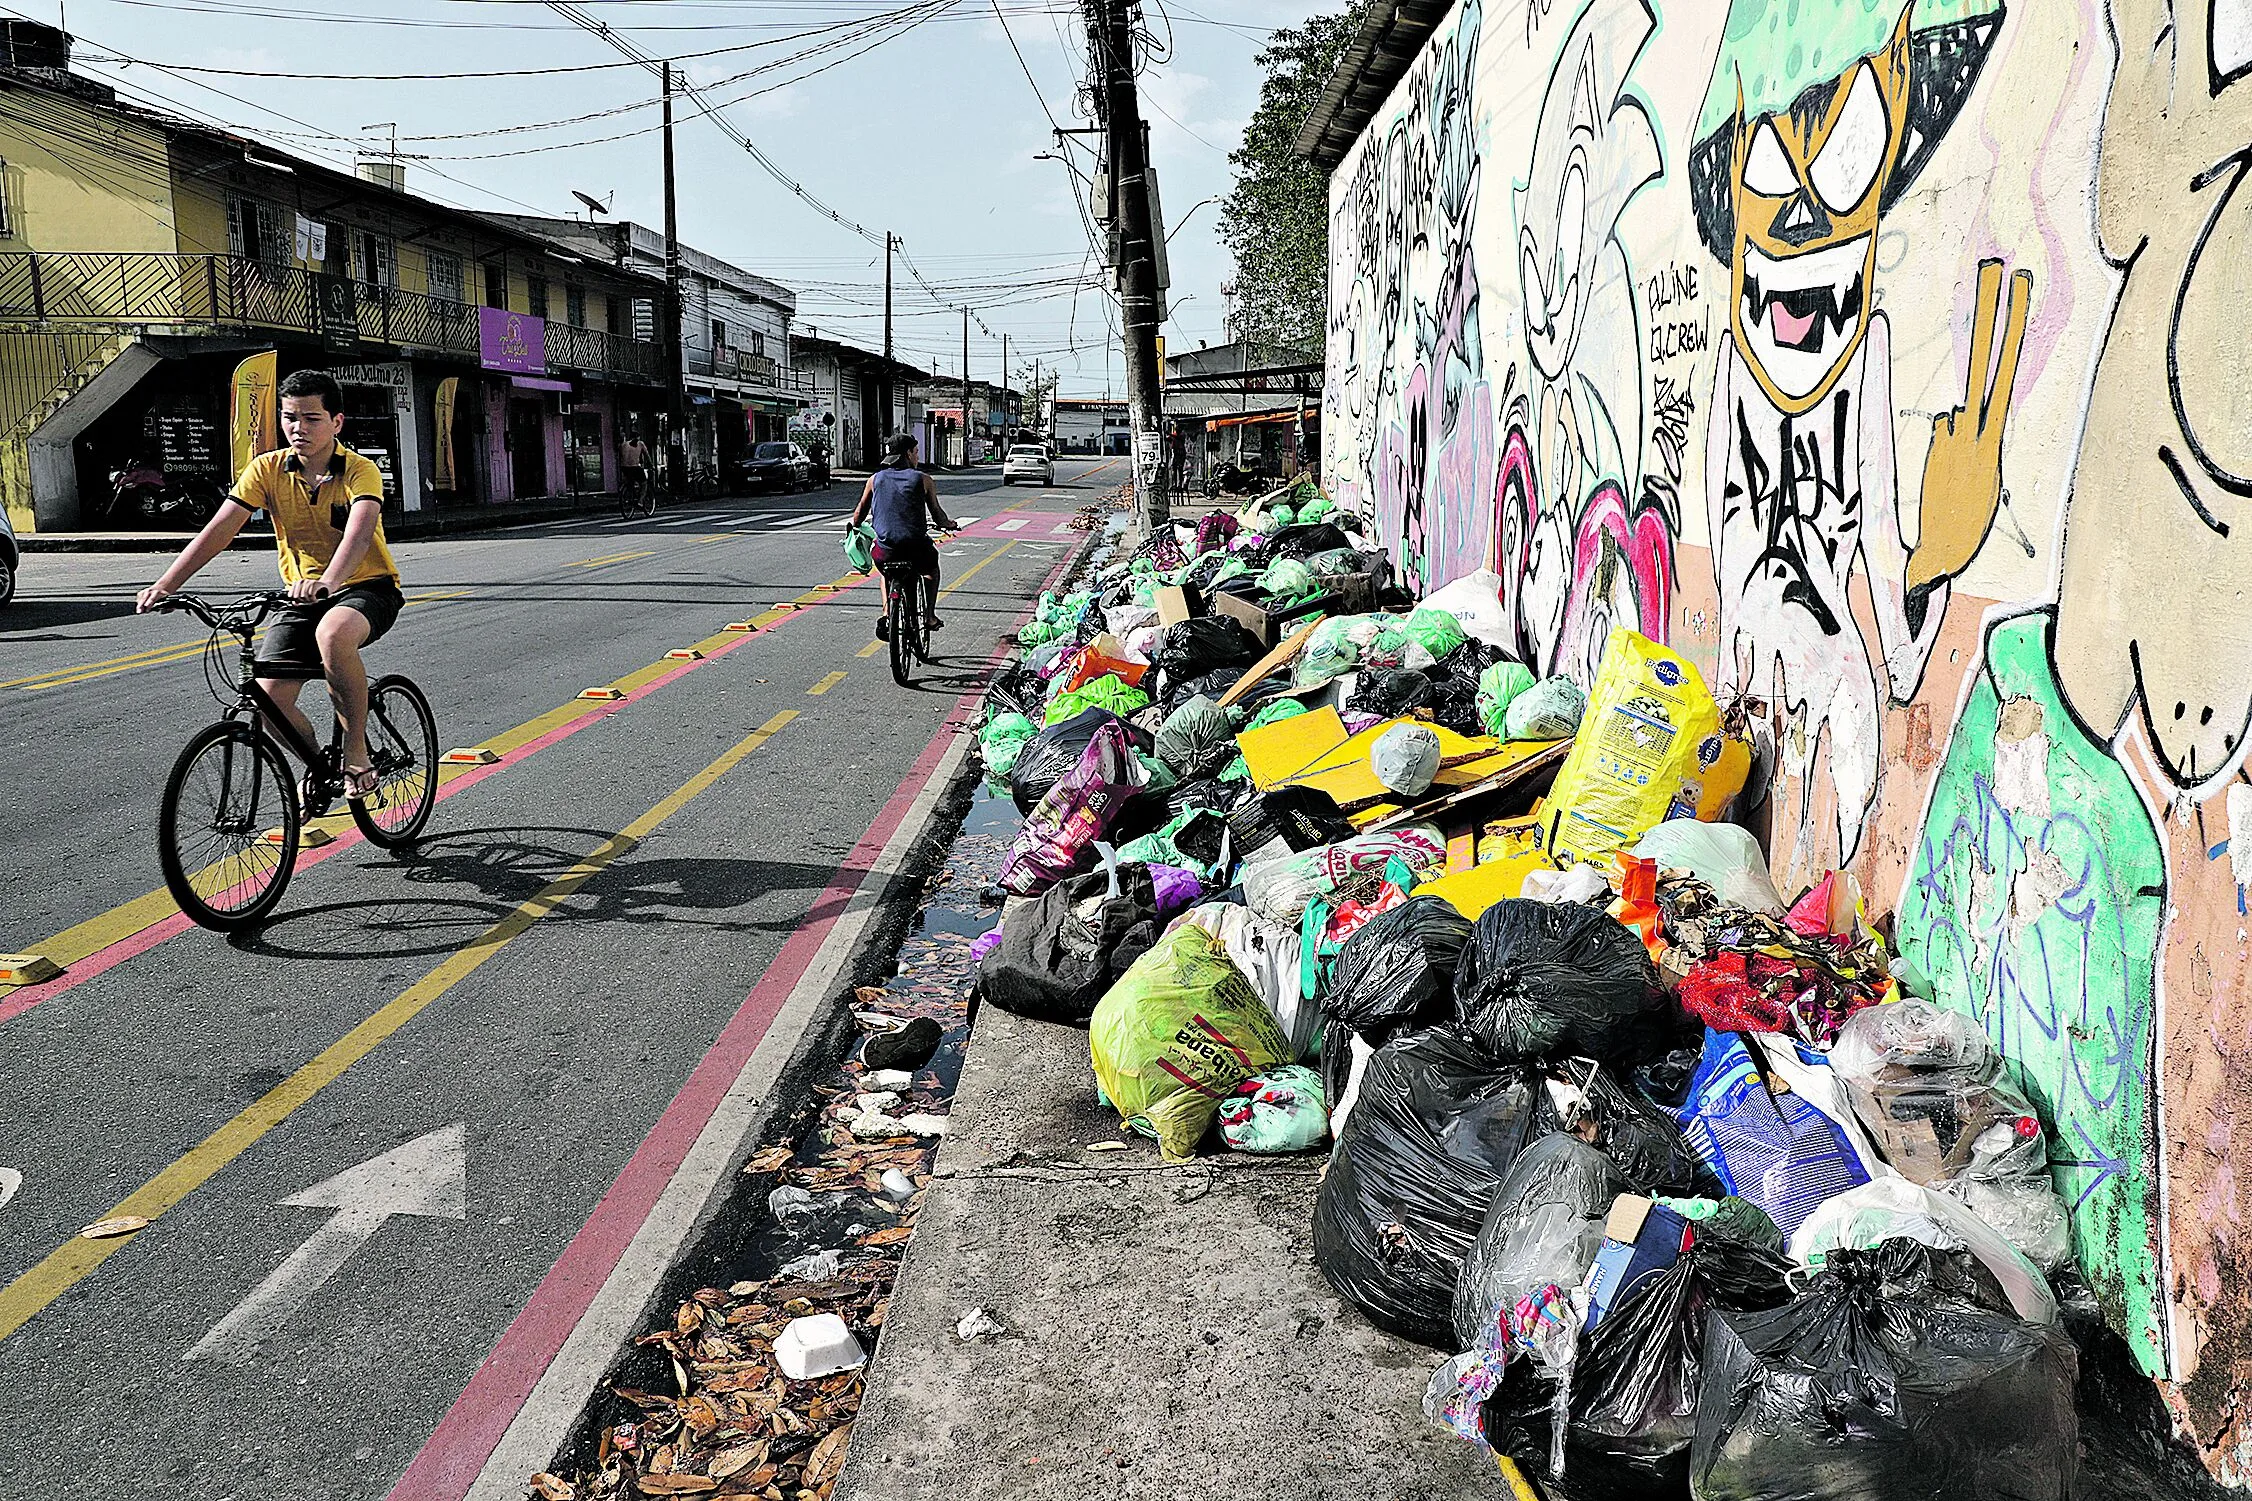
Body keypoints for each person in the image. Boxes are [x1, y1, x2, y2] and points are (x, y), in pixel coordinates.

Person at [136, 368, 402, 805]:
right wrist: (166, 584)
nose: (299, 428)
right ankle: (321, 764)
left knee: (334, 634)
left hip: (366, 588)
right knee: (268, 699)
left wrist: (328, 582)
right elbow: (219, 530)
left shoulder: (359, 470)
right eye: (290, 417)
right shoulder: (268, 469)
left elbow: (360, 528)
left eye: (312, 418)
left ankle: (356, 751)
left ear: (337, 422)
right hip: (302, 594)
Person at [849, 433, 955, 636]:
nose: (917, 457)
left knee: (885, 573)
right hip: (916, 549)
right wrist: (948, 524)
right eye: (916, 452)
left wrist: (855, 527)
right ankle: (930, 616)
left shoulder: (875, 479)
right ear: (908, 454)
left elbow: (859, 513)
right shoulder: (923, 479)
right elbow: (938, 515)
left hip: (885, 551)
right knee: (931, 569)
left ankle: (888, 613)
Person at [620, 429, 650, 499]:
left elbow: (621, 456)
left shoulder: (623, 445)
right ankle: (640, 501)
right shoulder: (640, 443)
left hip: (624, 467)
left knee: (630, 481)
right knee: (644, 483)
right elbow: (647, 455)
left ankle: (631, 496)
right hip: (635, 467)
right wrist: (651, 464)